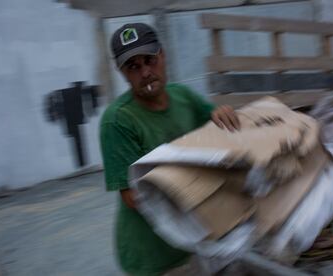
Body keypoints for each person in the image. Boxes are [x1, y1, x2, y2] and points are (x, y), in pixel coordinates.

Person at [99, 22, 240, 276]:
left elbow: (217, 125)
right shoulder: (118, 120)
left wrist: (223, 113)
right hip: (151, 257)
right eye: (133, 66)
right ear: (121, 72)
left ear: (162, 55)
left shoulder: (183, 97)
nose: (145, 72)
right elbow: (133, 197)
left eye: (150, 60)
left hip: (193, 240)